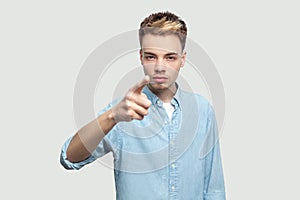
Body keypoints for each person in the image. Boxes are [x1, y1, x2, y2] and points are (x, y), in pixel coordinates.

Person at [60, 11, 226, 199]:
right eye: (151, 56)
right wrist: (112, 116)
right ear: (141, 57)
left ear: (183, 59)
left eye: (170, 57)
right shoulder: (124, 111)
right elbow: (69, 158)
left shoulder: (202, 110)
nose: (160, 66)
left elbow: (214, 188)